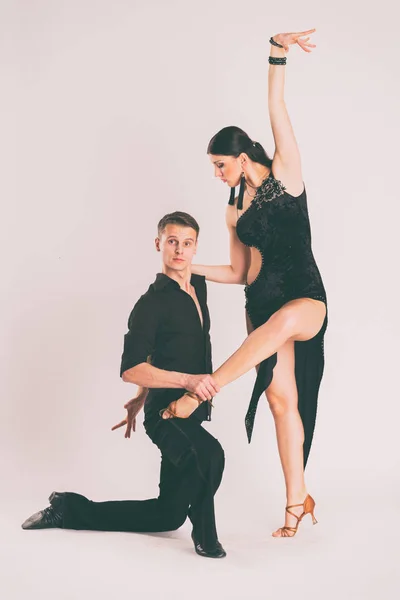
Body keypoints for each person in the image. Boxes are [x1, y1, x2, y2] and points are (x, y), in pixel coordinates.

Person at [161, 29, 328, 539]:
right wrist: (189, 269)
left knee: (281, 324)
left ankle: (204, 389)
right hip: (261, 304)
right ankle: (297, 502)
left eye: (218, 165)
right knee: (280, 401)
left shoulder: (286, 173)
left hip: (304, 301)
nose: (216, 174)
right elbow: (238, 274)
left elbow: (276, 103)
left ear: (239, 156)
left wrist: (277, 51)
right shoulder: (234, 209)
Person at [21, 211, 227, 559]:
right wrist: (183, 382)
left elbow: (162, 355)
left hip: (190, 412)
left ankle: (68, 509)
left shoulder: (198, 287)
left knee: (168, 514)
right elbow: (131, 368)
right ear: (158, 243)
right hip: (166, 415)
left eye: (187, 243)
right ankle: (206, 537)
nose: (179, 250)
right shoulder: (152, 303)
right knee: (209, 455)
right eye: (172, 241)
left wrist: (139, 395)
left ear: (195, 248)